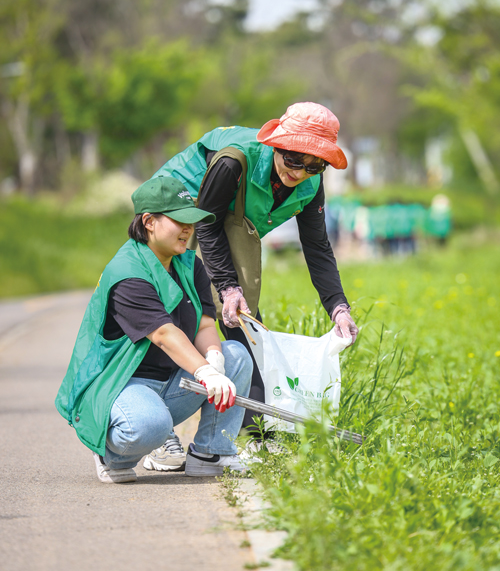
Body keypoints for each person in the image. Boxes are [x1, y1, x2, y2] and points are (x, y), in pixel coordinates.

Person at [150, 101, 359, 440]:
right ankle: (161, 432)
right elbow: (208, 223)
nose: (300, 172)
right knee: (176, 310)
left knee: (242, 318)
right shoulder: (235, 161)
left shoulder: (309, 185)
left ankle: (256, 433)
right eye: (293, 159)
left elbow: (317, 247)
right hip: (178, 205)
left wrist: (338, 307)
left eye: (314, 165)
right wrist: (227, 286)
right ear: (277, 144)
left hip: (227, 217)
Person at [55, 176, 253, 483]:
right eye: (180, 221)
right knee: (150, 425)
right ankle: (111, 452)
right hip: (122, 384)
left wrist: (214, 356)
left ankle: (211, 453)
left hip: (170, 380)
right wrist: (206, 373)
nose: (189, 229)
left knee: (235, 355)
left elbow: (202, 321)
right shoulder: (128, 273)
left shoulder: (188, 263)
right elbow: (162, 333)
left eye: (192, 221)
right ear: (148, 221)